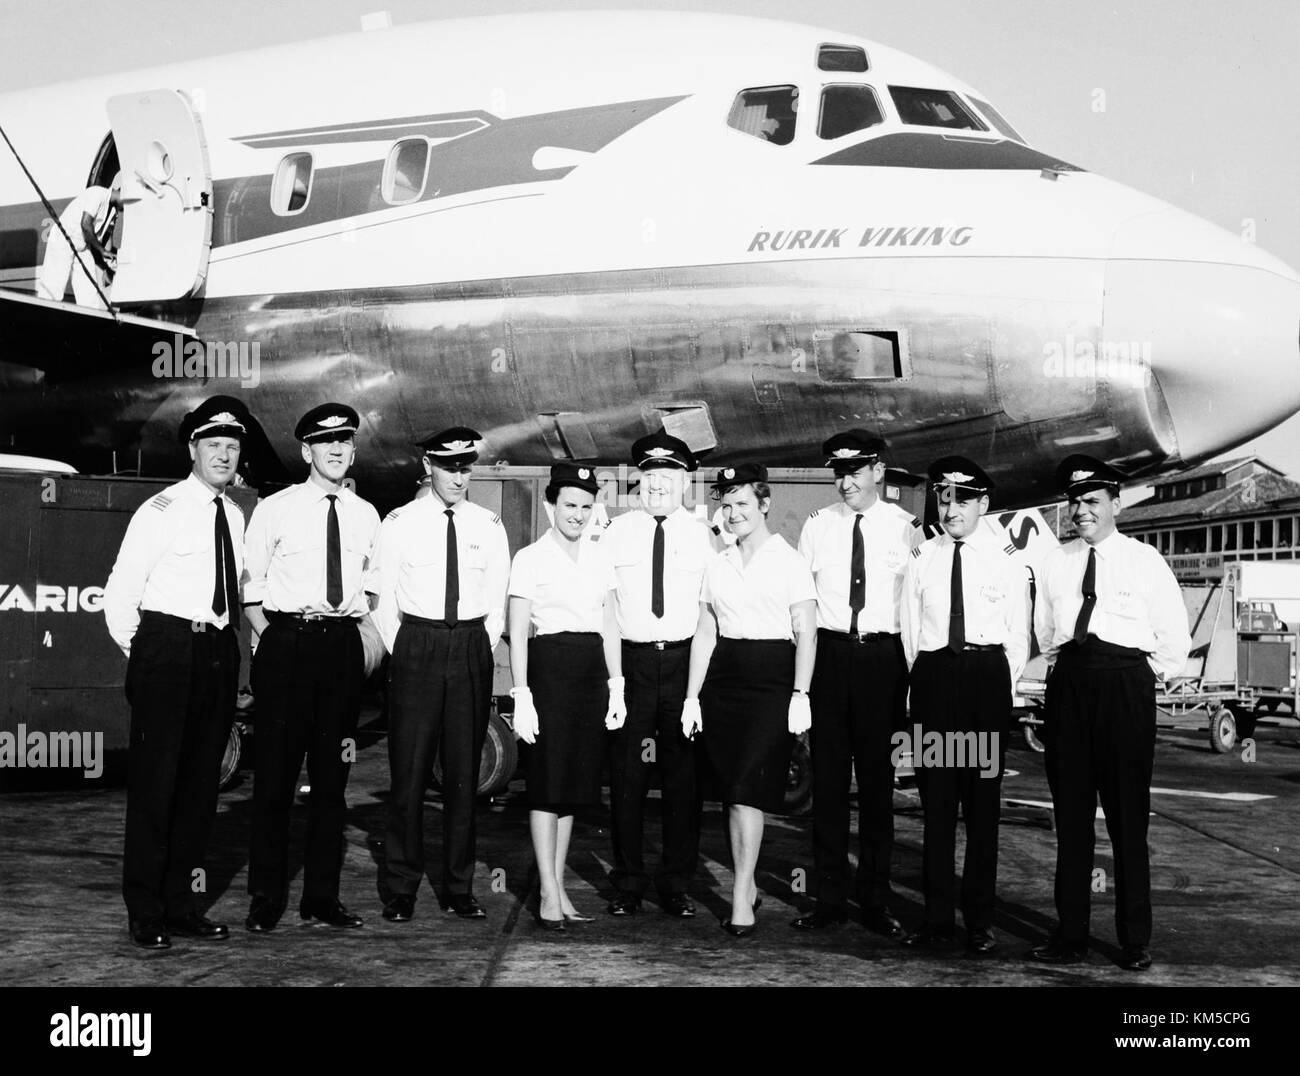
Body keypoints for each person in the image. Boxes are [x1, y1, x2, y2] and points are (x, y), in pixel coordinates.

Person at [1029, 455, 1190, 971]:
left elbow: (1173, 638)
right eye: (1074, 502)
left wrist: (1139, 681)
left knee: (1126, 820)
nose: (1081, 511)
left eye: (1092, 501)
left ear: (1116, 503)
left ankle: (1134, 939)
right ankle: (1070, 933)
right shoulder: (1057, 560)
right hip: (1071, 686)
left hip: (1124, 686)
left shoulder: (1144, 560)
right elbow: (1047, 629)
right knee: (1072, 820)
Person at [102, 395, 252, 949]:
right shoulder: (160, 509)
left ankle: (182, 905)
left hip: (215, 651)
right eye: (214, 445)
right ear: (193, 449)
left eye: (232, 447)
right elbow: (120, 595)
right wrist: (146, 657)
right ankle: (145, 910)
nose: (223, 455)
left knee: (198, 791)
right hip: (166, 649)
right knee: (154, 789)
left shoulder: (234, 515)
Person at [240, 403, 381, 933]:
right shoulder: (275, 508)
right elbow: (250, 587)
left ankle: (322, 898)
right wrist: (273, 639)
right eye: (326, 443)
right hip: (287, 644)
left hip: (340, 647)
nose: (338, 449)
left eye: (345, 441)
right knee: (274, 781)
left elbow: (373, 588)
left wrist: (362, 645)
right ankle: (266, 897)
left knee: (331, 784)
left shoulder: (365, 514)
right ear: (307, 451)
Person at [370, 426, 510, 922]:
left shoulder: (489, 525)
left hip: (469, 644)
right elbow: (383, 599)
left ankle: (458, 887)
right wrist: (406, 649)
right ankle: (402, 887)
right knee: (408, 775)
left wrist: (476, 644)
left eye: (466, 466)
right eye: (448, 466)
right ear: (427, 466)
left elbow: (496, 600)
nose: (458, 475)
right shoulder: (399, 522)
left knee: (463, 775)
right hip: (417, 646)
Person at [900, 456, 1029, 954]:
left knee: (981, 808)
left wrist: (995, 685)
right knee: (936, 808)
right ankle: (935, 921)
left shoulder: (1007, 559)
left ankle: (978, 922)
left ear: (984, 504)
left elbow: (1017, 638)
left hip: (984, 682)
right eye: (945, 497)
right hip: (934, 679)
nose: (951, 508)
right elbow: (912, 633)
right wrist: (924, 685)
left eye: (963, 499)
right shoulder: (922, 558)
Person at [793, 429, 920, 936]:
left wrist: (911, 681)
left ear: (878, 471)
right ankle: (827, 899)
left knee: (875, 790)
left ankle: (874, 900)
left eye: (855, 470)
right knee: (826, 789)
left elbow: (913, 608)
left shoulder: (908, 528)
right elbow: (802, 608)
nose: (845, 481)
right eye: (839, 472)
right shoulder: (817, 527)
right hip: (830, 657)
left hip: (882, 662)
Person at [683, 465, 817, 935]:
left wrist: (801, 693)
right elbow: (705, 630)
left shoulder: (789, 560)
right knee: (730, 792)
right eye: (727, 504)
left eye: (743, 503)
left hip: (771, 679)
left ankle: (741, 893)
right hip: (724, 679)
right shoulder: (717, 562)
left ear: (764, 505)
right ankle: (748, 882)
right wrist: (692, 697)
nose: (734, 512)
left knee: (747, 789)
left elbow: (807, 633)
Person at [507, 463, 626, 930]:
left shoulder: (600, 557)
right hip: (549, 670)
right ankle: (548, 894)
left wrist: (616, 685)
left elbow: (611, 625)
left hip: (591, 673)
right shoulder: (529, 558)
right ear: (549, 505)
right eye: (569, 504)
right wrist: (522, 693)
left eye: (585, 505)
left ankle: (557, 889)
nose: (577, 514)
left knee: (573, 787)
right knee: (546, 783)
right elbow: (518, 632)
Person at [603, 430, 711, 917]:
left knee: (682, 781)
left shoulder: (705, 535)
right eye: (649, 475)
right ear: (638, 481)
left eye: (668, 475)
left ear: (687, 480)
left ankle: (676, 883)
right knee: (627, 777)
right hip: (634, 662)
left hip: (684, 663)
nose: (658, 485)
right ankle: (628, 883)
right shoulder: (617, 532)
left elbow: (711, 612)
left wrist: (695, 693)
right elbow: (607, 608)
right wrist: (616, 682)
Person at [37, 178, 122, 308]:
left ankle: (90, 319)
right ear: (122, 192)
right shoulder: (98, 194)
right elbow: (86, 225)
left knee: (89, 291)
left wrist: (106, 263)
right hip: (63, 238)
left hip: (82, 245)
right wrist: (102, 250)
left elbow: (105, 238)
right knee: (53, 288)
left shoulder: (113, 212)